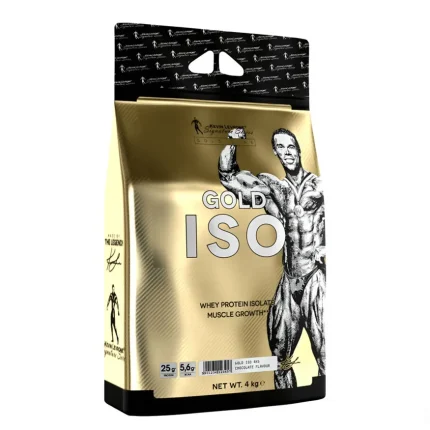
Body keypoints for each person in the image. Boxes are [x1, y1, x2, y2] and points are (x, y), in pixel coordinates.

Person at [218, 128, 325, 389]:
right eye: (281, 147)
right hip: (289, 280)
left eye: (291, 147)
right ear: (275, 152)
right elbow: (228, 177)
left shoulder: (319, 184)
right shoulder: (275, 190)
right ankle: (286, 404)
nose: (287, 153)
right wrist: (231, 139)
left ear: (299, 150)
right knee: (280, 360)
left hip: (315, 278)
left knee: (326, 357)